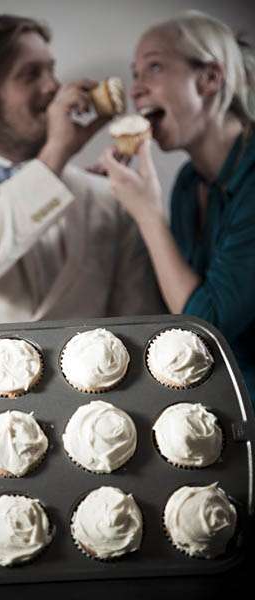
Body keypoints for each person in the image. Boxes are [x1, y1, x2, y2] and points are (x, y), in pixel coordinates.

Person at [0, 14, 164, 327]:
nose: (53, 86)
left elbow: (137, 325)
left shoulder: (109, 199)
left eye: (51, 70)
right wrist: (56, 154)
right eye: (30, 74)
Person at [104, 10, 255, 406]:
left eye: (154, 67)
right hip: (213, 400)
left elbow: (206, 329)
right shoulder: (189, 183)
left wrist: (147, 213)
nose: (136, 89)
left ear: (209, 79)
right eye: (135, 74)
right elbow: (175, 304)